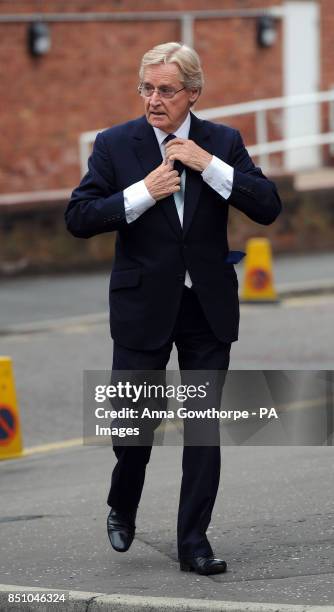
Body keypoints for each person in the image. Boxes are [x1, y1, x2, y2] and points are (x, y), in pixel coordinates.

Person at [65, 42, 282, 576]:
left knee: (203, 429)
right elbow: (79, 216)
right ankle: (123, 501)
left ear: (193, 94)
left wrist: (208, 165)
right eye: (147, 88)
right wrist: (142, 192)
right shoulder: (116, 144)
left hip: (205, 306)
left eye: (165, 90)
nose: (153, 100)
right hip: (143, 304)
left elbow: (267, 205)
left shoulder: (222, 141)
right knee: (134, 427)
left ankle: (194, 543)